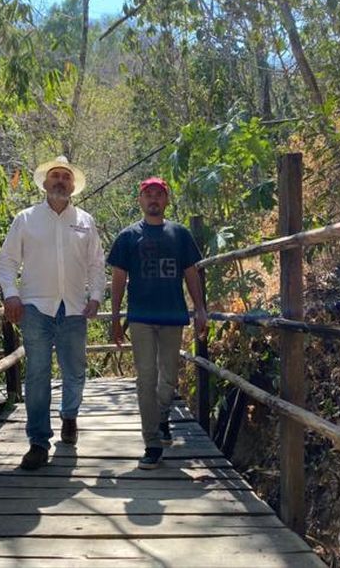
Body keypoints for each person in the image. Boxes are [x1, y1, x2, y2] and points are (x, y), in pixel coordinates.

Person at [0, 156, 105, 470]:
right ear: (45, 183)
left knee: (76, 371)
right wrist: (11, 294)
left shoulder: (85, 221)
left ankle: (69, 415)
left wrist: (96, 297)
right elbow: (7, 262)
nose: (60, 181)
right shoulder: (26, 219)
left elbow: (96, 264)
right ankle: (38, 442)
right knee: (37, 374)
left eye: (65, 177)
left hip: (74, 308)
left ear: (72, 186)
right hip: (34, 308)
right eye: (55, 176)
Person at [107, 177, 206, 469]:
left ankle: (162, 416)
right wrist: (115, 318)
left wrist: (200, 309)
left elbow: (191, 273)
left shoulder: (180, 234)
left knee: (169, 378)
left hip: (172, 314)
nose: (153, 199)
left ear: (166, 200)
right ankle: (151, 442)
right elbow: (118, 279)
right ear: (140, 200)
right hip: (140, 317)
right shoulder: (128, 237)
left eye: (159, 194)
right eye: (148, 194)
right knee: (146, 378)